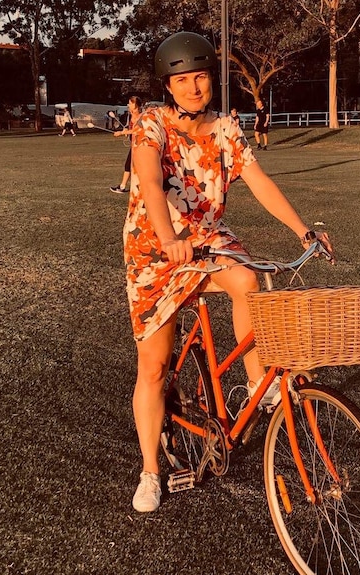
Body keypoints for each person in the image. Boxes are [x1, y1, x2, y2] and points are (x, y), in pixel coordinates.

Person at [124, 31, 331, 513]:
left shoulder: (227, 129)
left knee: (248, 279)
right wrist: (170, 239)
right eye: (183, 80)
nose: (195, 88)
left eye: (201, 77)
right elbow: (151, 183)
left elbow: (258, 180)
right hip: (156, 251)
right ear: (167, 85)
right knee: (153, 368)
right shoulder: (151, 124)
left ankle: (260, 388)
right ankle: (151, 470)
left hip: (209, 240)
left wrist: (304, 231)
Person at [110, 96, 144, 194]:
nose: (128, 105)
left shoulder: (141, 116)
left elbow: (137, 130)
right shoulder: (131, 116)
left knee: (131, 166)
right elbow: (130, 129)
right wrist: (125, 131)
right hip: (134, 145)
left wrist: (121, 133)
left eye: (131, 103)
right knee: (129, 165)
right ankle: (123, 186)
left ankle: (123, 186)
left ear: (136, 105)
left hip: (140, 145)